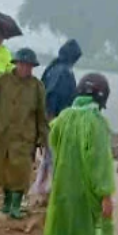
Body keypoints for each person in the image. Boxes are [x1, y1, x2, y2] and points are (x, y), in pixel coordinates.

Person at [43, 73, 114, 235]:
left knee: (61, 234)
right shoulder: (97, 123)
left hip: (62, 188)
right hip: (85, 192)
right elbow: (99, 162)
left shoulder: (62, 118)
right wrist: (105, 194)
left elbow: (53, 145)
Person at [0, 48, 48, 220]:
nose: (25, 68)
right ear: (16, 64)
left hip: (26, 137)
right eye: (22, 64)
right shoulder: (2, 82)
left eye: (29, 66)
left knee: (21, 172)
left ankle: (16, 205)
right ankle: (7, 203)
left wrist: (43, 137)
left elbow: (41, 115)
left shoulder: (37, 87)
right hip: (4, 135)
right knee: (4, 171)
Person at [33, 39, 83, 201]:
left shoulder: (52, 68)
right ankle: (55, 191)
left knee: (48, 156)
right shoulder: (63, 72)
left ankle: (41, 188)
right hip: (55, 120)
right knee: (55, 157)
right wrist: (52, 121)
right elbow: (52, 96)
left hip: (52, 119)